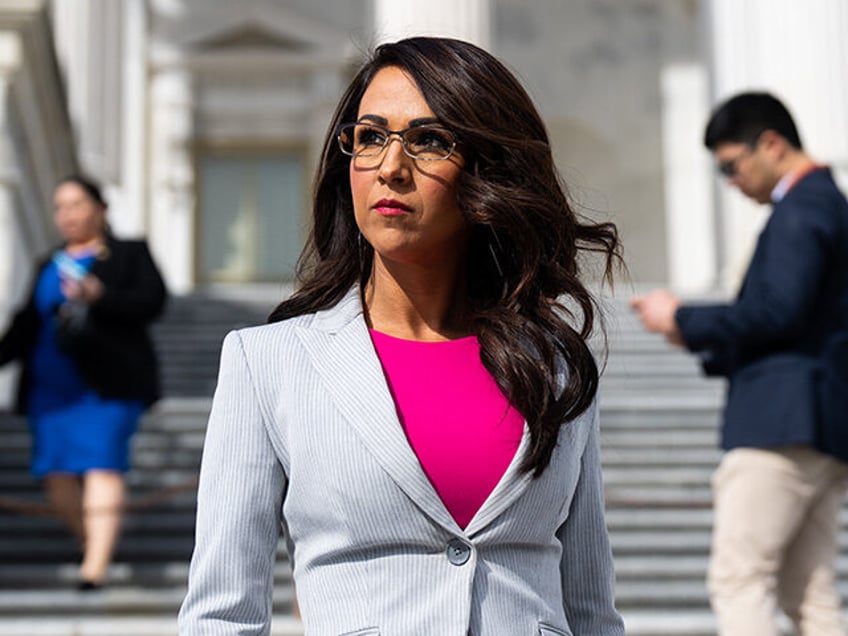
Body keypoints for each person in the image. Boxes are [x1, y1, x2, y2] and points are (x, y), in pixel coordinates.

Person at [178, 37, 624, 635]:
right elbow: (221, 614)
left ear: (485, 168)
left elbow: (591, 611)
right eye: (369, 137)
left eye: (429, 140)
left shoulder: (558, 369)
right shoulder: (270, 364)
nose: (391, 167)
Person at [631, 92, 848, 635]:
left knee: (740, 580)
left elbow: (779, 311)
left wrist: (683, 318)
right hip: (818, 425)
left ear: (770, 145)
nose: (730, 181)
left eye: (732, 165)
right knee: (812, 594)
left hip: (780, 426)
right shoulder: (822, 204)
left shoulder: (803, 209)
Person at [0, 175, 167, 590]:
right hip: (50, 390)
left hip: (107, 385)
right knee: (55, 472)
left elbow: (152, 302)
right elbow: (25, 325)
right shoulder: (48, 262)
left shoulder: (128, 253)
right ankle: (93, 541)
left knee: (102, 464)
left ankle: (94, 567)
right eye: (60, 207)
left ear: (100, 208)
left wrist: (100, 295)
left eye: (76, 204)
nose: (68, 214)